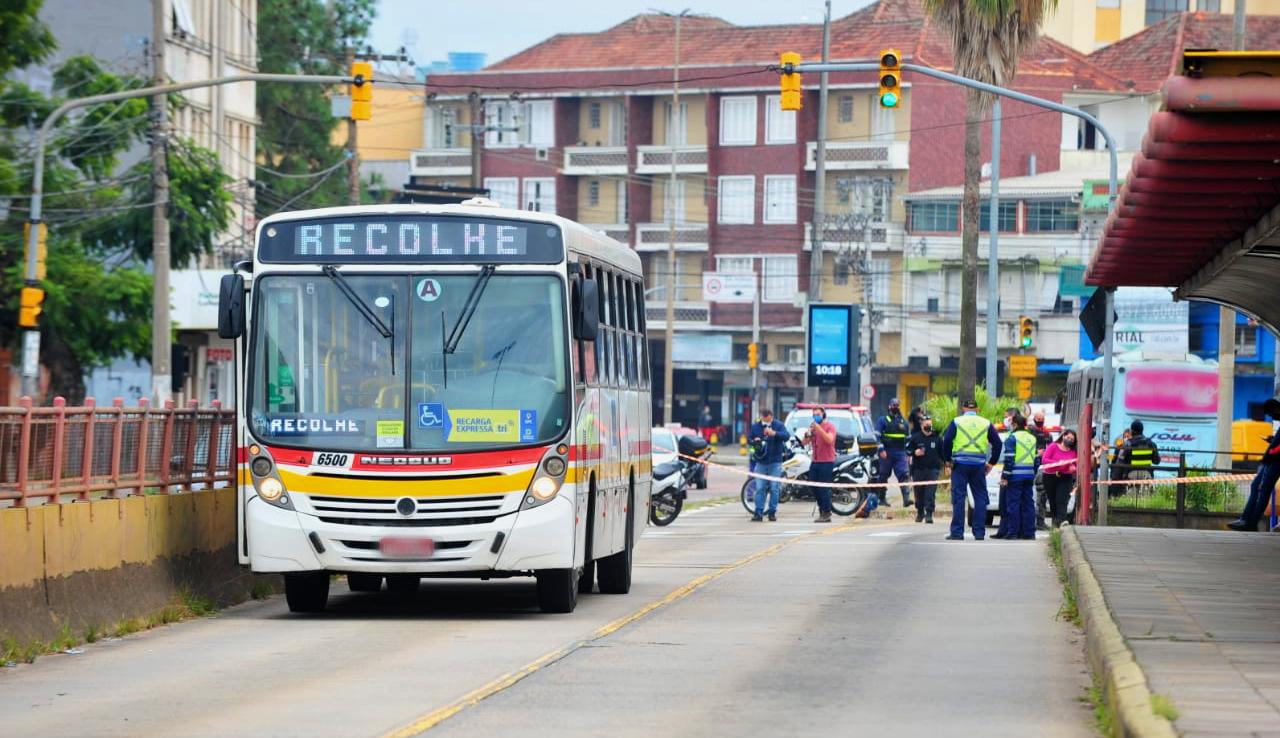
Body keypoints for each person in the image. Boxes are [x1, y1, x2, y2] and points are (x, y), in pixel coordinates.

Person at [941, 399, 1002, 541]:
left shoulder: (956, 421)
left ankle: (957, 533)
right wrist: (991, 463)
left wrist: (947, 460)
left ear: (963, 408)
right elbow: (997, 444)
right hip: (978, 465)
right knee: (980, 498)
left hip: (960, 465)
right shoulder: (986, 423)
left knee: (959, 498)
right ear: (977, 409)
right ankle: (979, 533)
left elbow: (947, 441)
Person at [1229, 397, 1280, 532]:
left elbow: (1279, 447)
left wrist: (1270, 453)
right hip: (1271, 460)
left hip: (1275, 461)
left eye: (1271, 414)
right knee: (1256, 486)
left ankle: (1251, 522)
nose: (1271, 417)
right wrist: (1272, 441)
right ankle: (1245, 519)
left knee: (1263, 490)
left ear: (1276, 409)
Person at [995, 414, 1038, 540]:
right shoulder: (1032, 438)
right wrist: (1032, 473)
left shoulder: (1011, 438)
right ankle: (1029, 533)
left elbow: (1009, 459)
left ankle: (1013, 532)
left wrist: (1005, 477)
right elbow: (1036, 459)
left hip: (1015, 476)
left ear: (1014, 424)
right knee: (1028, 504)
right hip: (1028, 475)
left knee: (1013, 504)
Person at [748, 409, 790, 522]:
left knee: (774, 488)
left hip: (775, 462)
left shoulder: (779, 425)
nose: (764, 421)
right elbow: (749, 439)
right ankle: (758, 513)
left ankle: (772, 512)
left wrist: (774, 433)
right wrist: (754, 441)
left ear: (771, 417)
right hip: (761, 461)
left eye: (767, 419)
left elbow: (786, 436)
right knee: (760, 488)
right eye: (763, 418)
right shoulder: (756, 426)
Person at [906, 415, 944, 523]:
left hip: (933, 470)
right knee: (919, 493)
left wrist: (947, 465)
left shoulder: (937, 438)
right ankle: (920, 512)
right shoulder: (915, 437)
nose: (928, 426)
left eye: (929, 424)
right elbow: (907, 451)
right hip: (918, 469)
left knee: (930, 493)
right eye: (926, 424)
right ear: (922, 425)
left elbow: (943, 454)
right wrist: (915, 452)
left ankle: (929, 513)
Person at [876, 397, 913, 507]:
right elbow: (877, 436)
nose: (895, 407)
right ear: (889, 406)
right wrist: (881, 449)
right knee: (883, 475)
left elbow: (908, 439)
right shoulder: (883, 420)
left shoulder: (904, 422)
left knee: (904, 475)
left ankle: (906, 499)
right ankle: (881, 499)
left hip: (900, 453)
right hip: (886, 453)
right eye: (893, 405)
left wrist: (908, 453)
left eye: (897, 405)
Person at [805, 407, 837, 523]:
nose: (816, 416)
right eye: (814, 415)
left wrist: (819, 429)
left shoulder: (830, 426)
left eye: (818, 414)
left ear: (823, 414)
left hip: (827, 461)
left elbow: (829, 440)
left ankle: (827, 512)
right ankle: (822, 508)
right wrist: (808, 434)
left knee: (823, 488)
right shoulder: (813, 427)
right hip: (815, 461)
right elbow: (804, 442)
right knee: (812, 486)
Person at [1041, 429, 1078, 528]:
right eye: (1068, 437)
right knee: (1052, 501)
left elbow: (1075, 465)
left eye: (1072, 439)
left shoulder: (1074, 452)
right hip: (1050, 476)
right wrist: (1061, 462)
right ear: (1063, 436)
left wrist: (1073, 468)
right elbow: (1045, 460)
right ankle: (1056, 521)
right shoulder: (1053, 446)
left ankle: (1062, 520)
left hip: (1065, 477)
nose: (1069, 440)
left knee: (1061, 499)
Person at [1029, 410, 1053, 531]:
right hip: (1029, 465)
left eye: (1041, 419)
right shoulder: (1029, 432)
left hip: (1042, 467)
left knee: (1042, 494)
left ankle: (1040, 521)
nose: (1039, 421)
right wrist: (1036, 453)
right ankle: (1030, 521)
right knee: (1029, 495)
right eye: (1037, 418)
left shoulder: (1048, 435)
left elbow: (1051, 449)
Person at [1116, 420, 1159, 484]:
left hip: (1131, 476)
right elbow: (1156, 461)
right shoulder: (1151, 444)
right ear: (1142, 430)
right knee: (1146, 494)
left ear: (1132, 431)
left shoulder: (1128, 443)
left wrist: (1116, 479)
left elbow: (1120, 461)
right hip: (1147, 475)